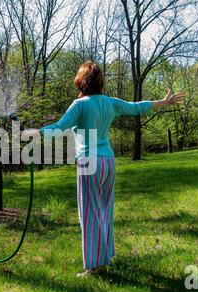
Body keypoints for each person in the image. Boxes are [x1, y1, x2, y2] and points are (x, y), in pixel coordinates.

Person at [22, 61, 185, 277]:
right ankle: (104, 258)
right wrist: (164, 103)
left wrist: (32, 133)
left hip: (89, 162)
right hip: (108, 161)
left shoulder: (79, 105)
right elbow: (135, 107)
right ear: (99, 82)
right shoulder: (109, 102)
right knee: (104, 210)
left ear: (81, 81)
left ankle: (94, 267)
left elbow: (58, 128)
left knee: (89, 214)